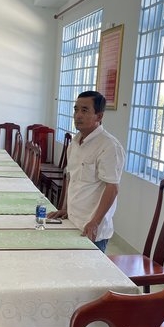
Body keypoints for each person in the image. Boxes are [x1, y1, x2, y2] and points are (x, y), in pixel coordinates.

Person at [48, 90, 125, 252]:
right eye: (76, 110)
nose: (78, 115)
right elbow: (71, 178)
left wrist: (95, 222)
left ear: (99, 116)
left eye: (85, 110)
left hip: (91, 228)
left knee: (88, 275)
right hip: (72, 220)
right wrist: (65, 208)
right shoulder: (74, 142)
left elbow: (112, 188)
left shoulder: (109, 146)